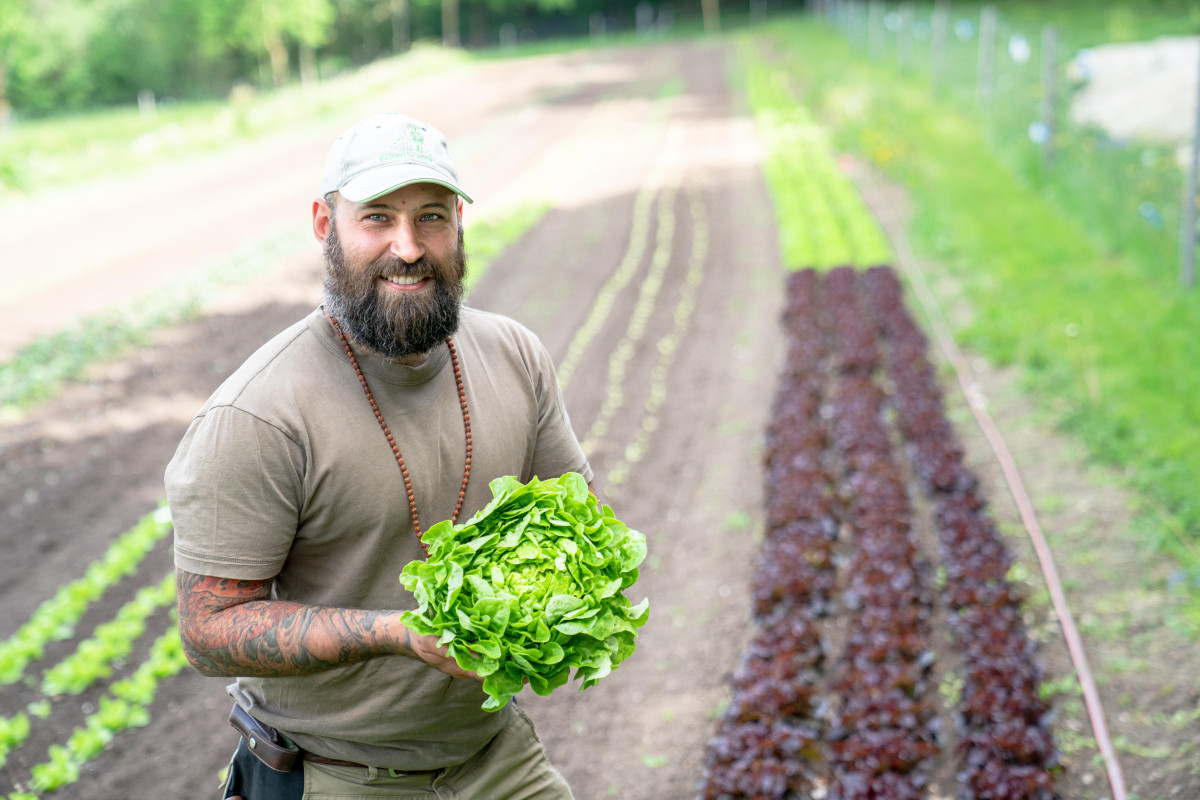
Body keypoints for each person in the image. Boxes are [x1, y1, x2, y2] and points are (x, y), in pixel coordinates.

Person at [165, 111, 592, 800]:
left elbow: (580, 517)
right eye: (377, 218)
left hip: (497, 759)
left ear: (458, 223)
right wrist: (396, 632)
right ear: (323, 223)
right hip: (337, 774)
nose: (409, 246)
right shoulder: (258, 415)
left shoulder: (513, 354)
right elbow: (209, 629)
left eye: (431, 217)